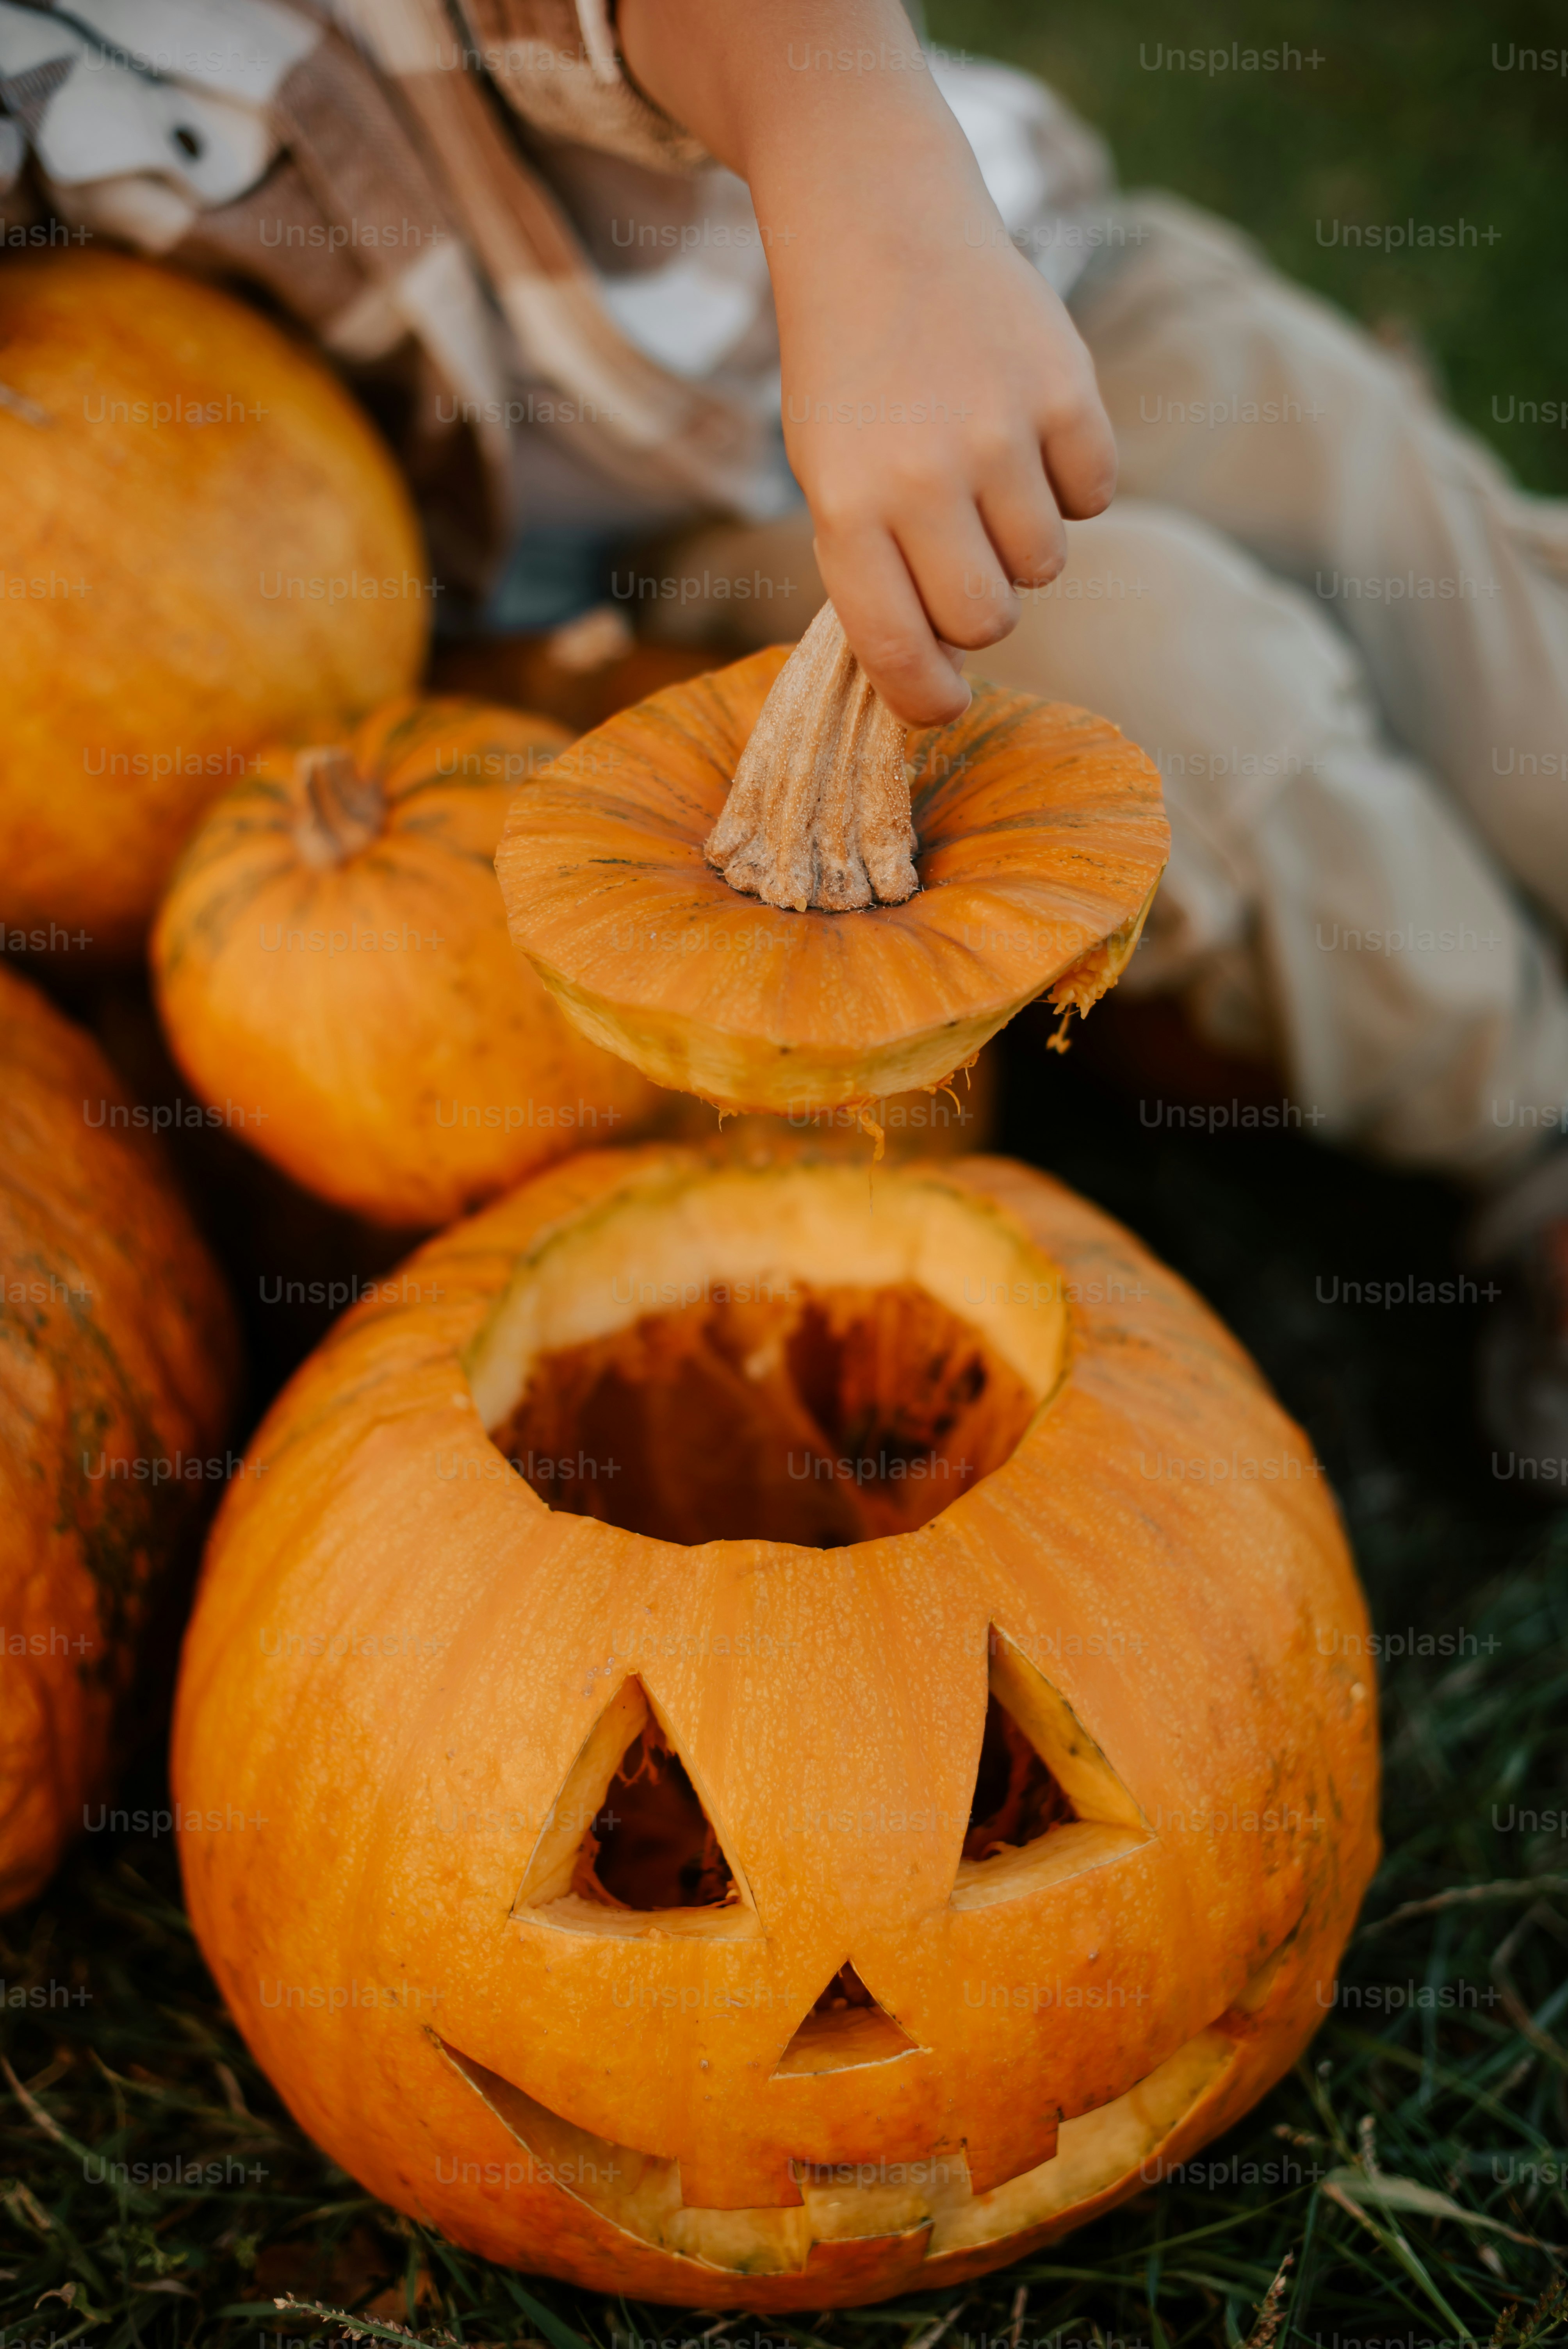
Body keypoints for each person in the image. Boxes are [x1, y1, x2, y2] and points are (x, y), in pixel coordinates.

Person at [4, 0, 1567, 1458]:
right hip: (679, 555)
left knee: (1434, 581)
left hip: (1009, 268)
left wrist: (872, 206)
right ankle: (1529, 1120)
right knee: (1159, 684)